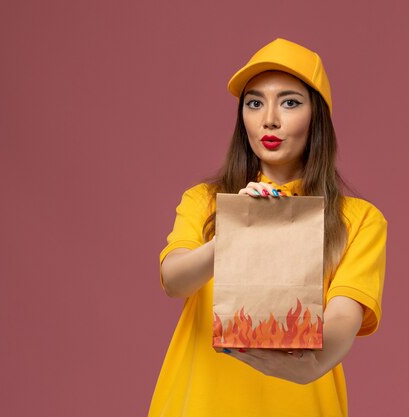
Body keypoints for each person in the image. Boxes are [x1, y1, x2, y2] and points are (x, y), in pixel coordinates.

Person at [149, 38, 387, 417]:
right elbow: (173, 280)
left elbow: (344, 318)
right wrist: (234, 233)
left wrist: (310, 359)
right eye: (254, 103)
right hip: (199, 404)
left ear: (317, 117)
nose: (269, 119)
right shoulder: (204, 201)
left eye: (290, 102)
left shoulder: (358, 220)